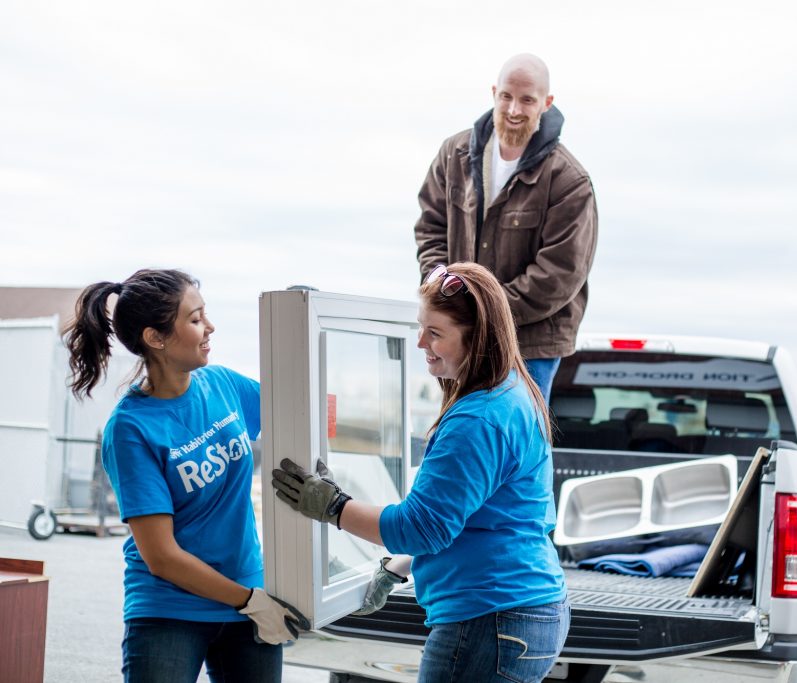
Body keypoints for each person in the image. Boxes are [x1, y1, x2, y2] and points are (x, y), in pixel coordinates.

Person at [272, 262, 570, 683]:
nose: (420, 343)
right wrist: (402, 564)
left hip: (491, 620)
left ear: (476, 336)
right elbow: (479, 518)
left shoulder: (477, 420)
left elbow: (422, 527)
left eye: (435, 332)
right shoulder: (510, 392)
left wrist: (334, 507)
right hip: (523, 609)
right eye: (420, 327)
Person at [64, 268, 307, 683]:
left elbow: (299, 409)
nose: (209, 327)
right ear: (155, 338)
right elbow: (161, 557)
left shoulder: (224, 385)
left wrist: (309, 334)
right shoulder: (131, 428)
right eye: (195, 319)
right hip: (171, 610)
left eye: (205, 315)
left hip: (247, 598)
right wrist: (252, 602)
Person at [414, 53, 598, 402]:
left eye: (527, 100)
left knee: (518, 443)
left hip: (530, 344)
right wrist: (443, 290)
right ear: (494, 93)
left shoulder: (569, 180)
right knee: (462, 434)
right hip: (460, 335)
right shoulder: (453, 155)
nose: (514, 110)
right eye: (507, 97)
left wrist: (484, 310)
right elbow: (430, 228)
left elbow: (561, 273)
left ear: (546, 103)